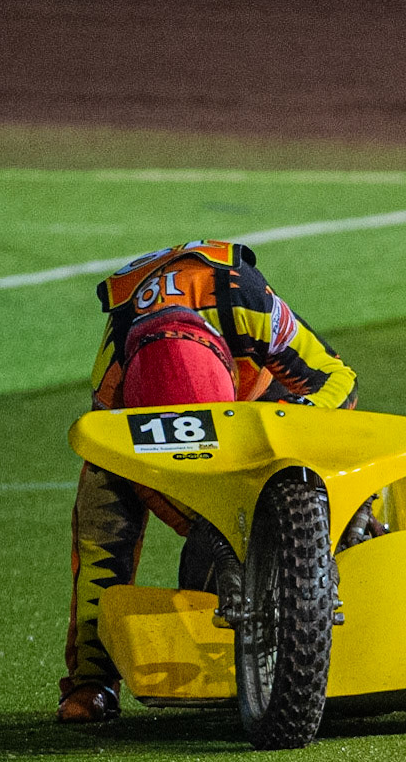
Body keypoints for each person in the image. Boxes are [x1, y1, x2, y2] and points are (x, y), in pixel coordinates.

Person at [58, 240, 359, 723]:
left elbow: (338, 379)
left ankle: (364, 535)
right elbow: (100, 542)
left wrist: (302, 420)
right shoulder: (111, 395)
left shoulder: (245, 302)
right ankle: (96, 677)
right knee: (109, 517)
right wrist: (92, 682)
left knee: (334, 451)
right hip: (161, 458)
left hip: (265, 407)